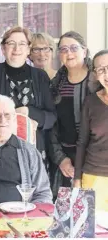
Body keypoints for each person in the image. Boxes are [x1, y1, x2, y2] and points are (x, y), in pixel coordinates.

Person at [0, 26, 56, 171]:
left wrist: (28, 111)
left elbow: (51, 117)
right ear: (3, 49)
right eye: (11, 43)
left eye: (22, 44)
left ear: (29, 49)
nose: (17, 48)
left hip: (34, 150)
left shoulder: (40, 76)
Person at [48, 31, 96, 198]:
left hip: (95, 160)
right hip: (64, 161)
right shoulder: (55, 84)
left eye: (74, 48)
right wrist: (61, 159)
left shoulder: (99, 82)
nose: (69, 53)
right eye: (63, 49)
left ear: (85, 50)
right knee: (65, 215)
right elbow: (51, 126)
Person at [74, 49, 108, 211]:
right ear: (95, 73)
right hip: (93, 175)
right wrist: (76, 179)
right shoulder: (90, 101)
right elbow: (82, 142)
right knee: (92, 232)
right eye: (101, 69)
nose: (106, 74)